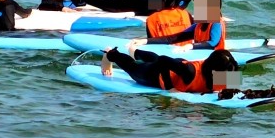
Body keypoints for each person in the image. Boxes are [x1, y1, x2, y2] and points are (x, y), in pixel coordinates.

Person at [100, 42, 240, 94]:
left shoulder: (228, 67)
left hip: (179, 65)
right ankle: (111, 54)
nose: (230, 76)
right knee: (134, 68)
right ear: (214, 71)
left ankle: (135, 52)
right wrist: (169, 88)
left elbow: (233, 84)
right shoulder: (190, 73)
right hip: (156, 75)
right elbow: (163, 61)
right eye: (227, 74)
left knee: (154, 59)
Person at [137, 0, 226, 50]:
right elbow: (173, 38)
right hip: (202, 59)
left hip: (220, 62)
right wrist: (145, 41)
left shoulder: (216, 22)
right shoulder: (196, 25)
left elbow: (213, 43)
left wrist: (191, 46)